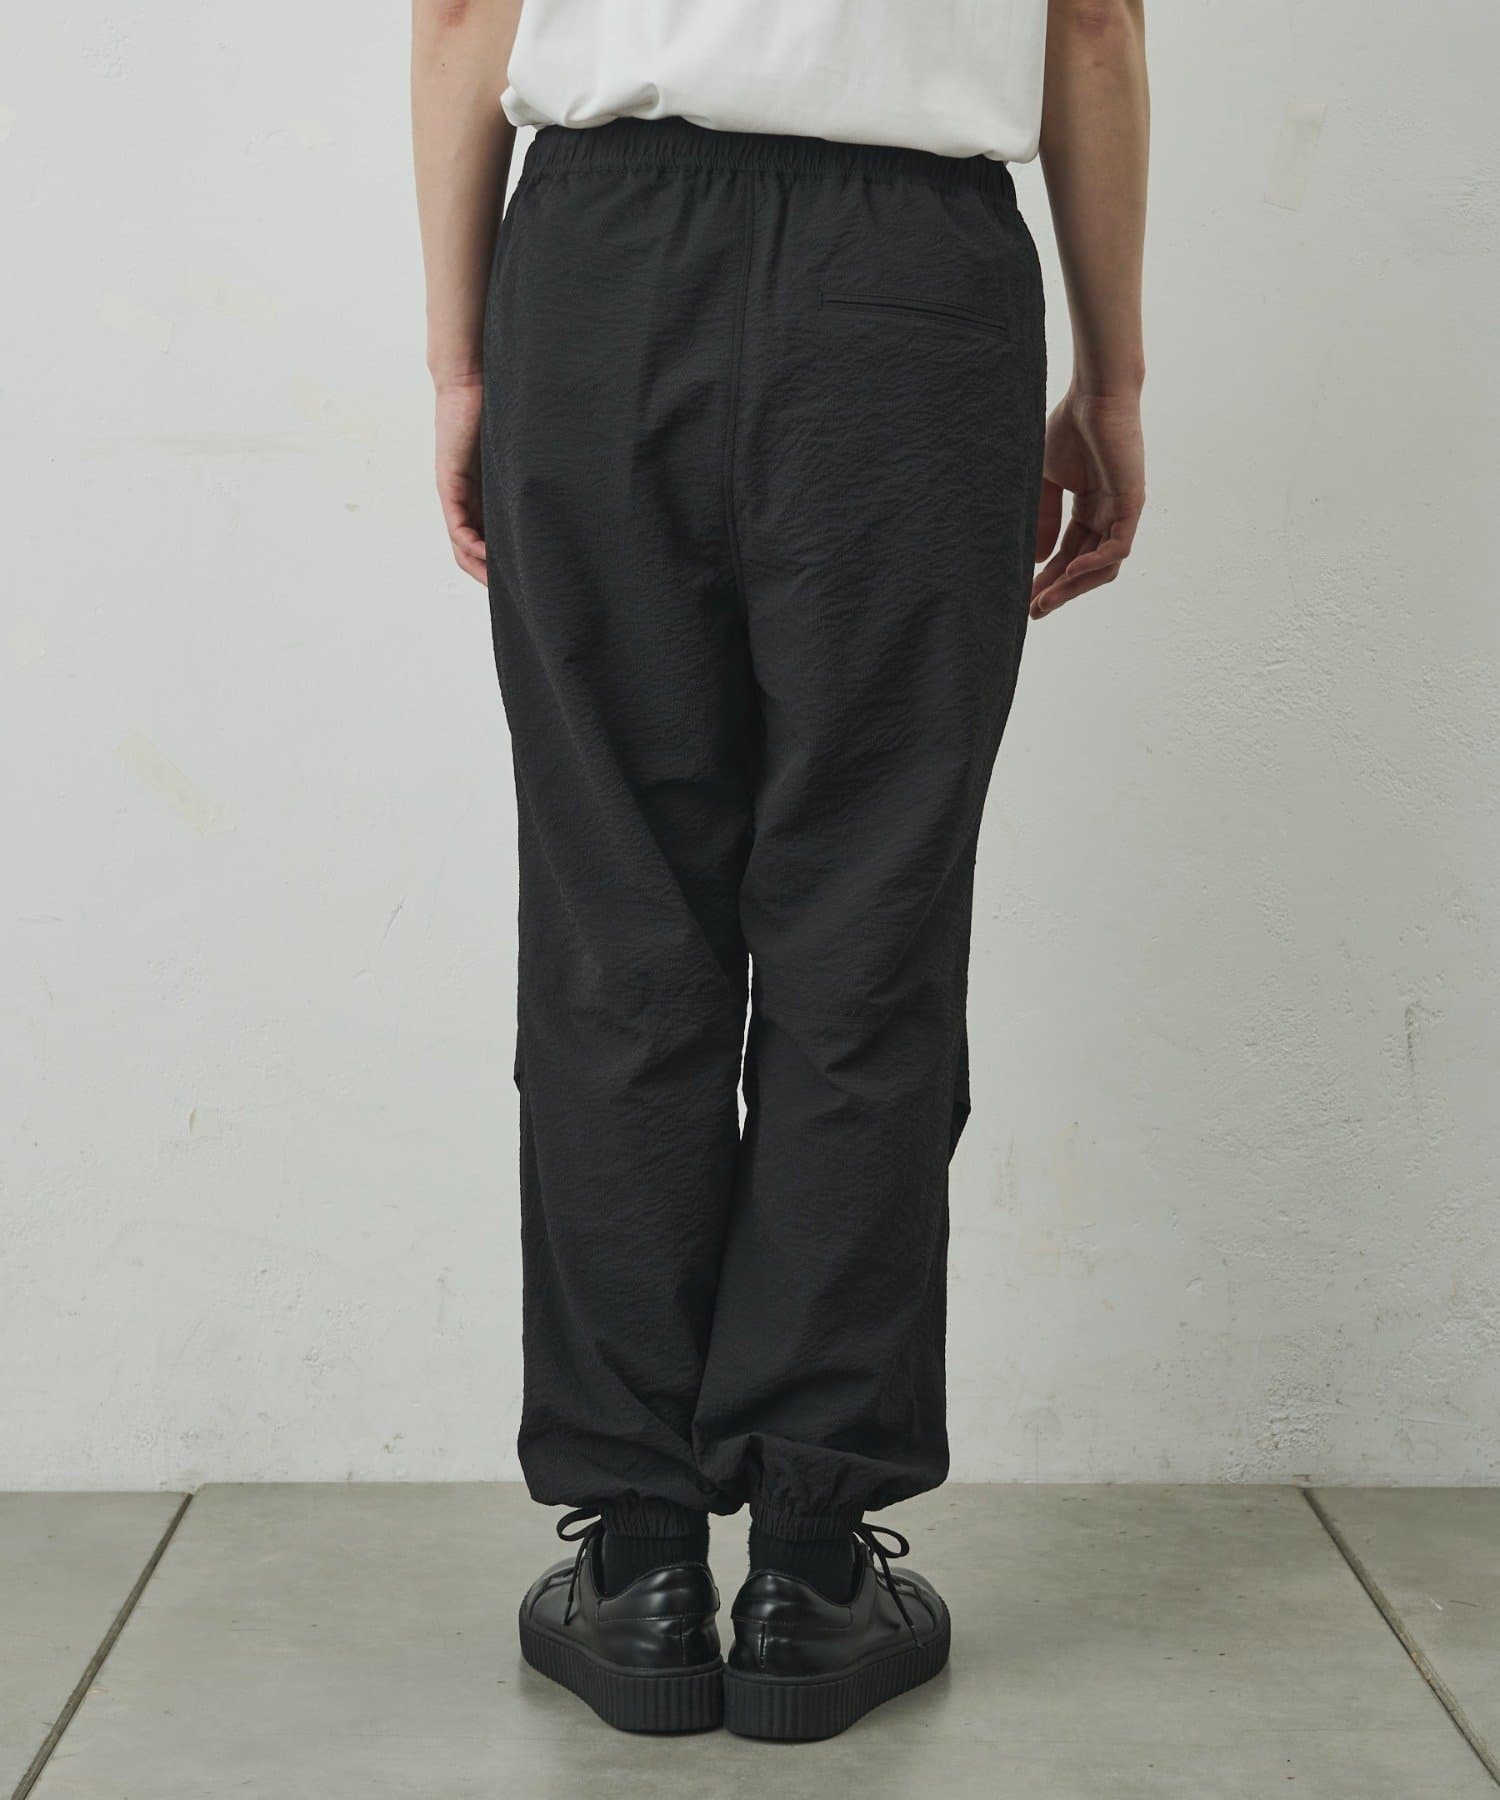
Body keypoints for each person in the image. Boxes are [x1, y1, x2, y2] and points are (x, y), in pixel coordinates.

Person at [412, 0, 1148, 1742]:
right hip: (912, 295)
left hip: (601, 271)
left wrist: (463, 364)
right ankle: (810, 1576)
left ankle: (640, 1561)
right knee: (867, 920)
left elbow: (458, 15)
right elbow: (1093, 29)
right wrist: (1112, 381)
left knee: (616, 921)